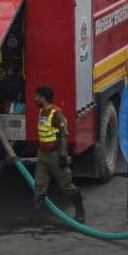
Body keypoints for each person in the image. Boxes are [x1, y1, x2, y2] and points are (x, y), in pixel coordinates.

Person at [31, 85, 85, 224]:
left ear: (43, 98)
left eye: (37, 96)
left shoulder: (56, 113)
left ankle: (80, 213)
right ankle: (35, 217)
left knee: (66, 185)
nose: (35, 98)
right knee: (39, 185)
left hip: (55, 155)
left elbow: (64, 134)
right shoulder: (42, 111)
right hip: (43, 154)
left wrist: (63, 155)